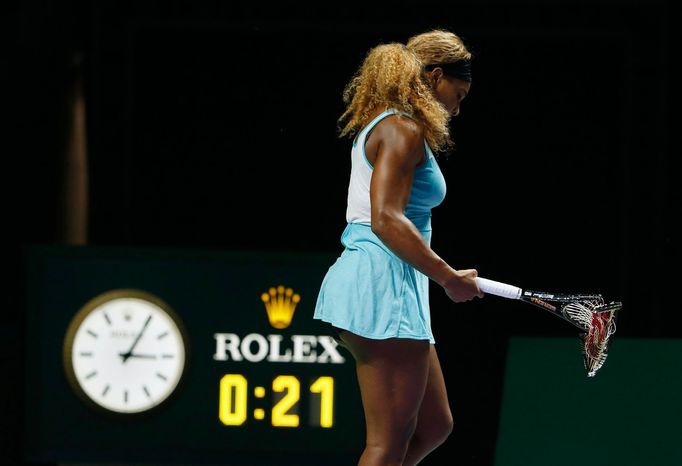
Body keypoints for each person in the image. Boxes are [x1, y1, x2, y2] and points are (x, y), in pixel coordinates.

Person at [313, 29, 483, 466]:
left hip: (398, 286)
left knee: (434, 426)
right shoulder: (400, 129)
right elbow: (386, 219)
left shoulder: (391, 125)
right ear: (436, 76)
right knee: (387, 443)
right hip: (380, 286)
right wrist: (448, 278)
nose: (458, 107)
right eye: (458, 94)